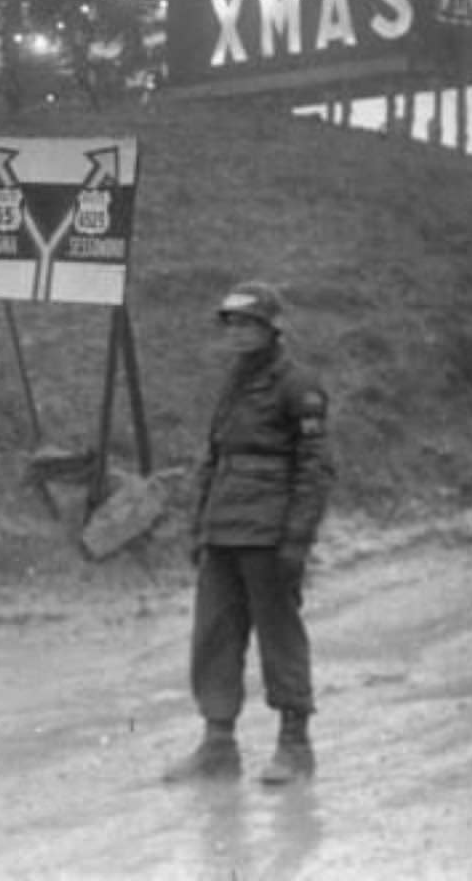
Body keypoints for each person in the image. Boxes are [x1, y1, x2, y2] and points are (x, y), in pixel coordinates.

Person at [164, 280, 335, 786]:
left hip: (269, 534)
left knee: (279, 637)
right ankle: (218, 746)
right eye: (232, 324)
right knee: (214, 636)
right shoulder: (234, 381)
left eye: (248, 324)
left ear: (272, 328)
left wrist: (296, 541)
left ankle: (294, 745)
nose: (237, 333)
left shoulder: (297, 385)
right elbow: (215, 459)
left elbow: (316, 469)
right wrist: (200, 527)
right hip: (224, 530)